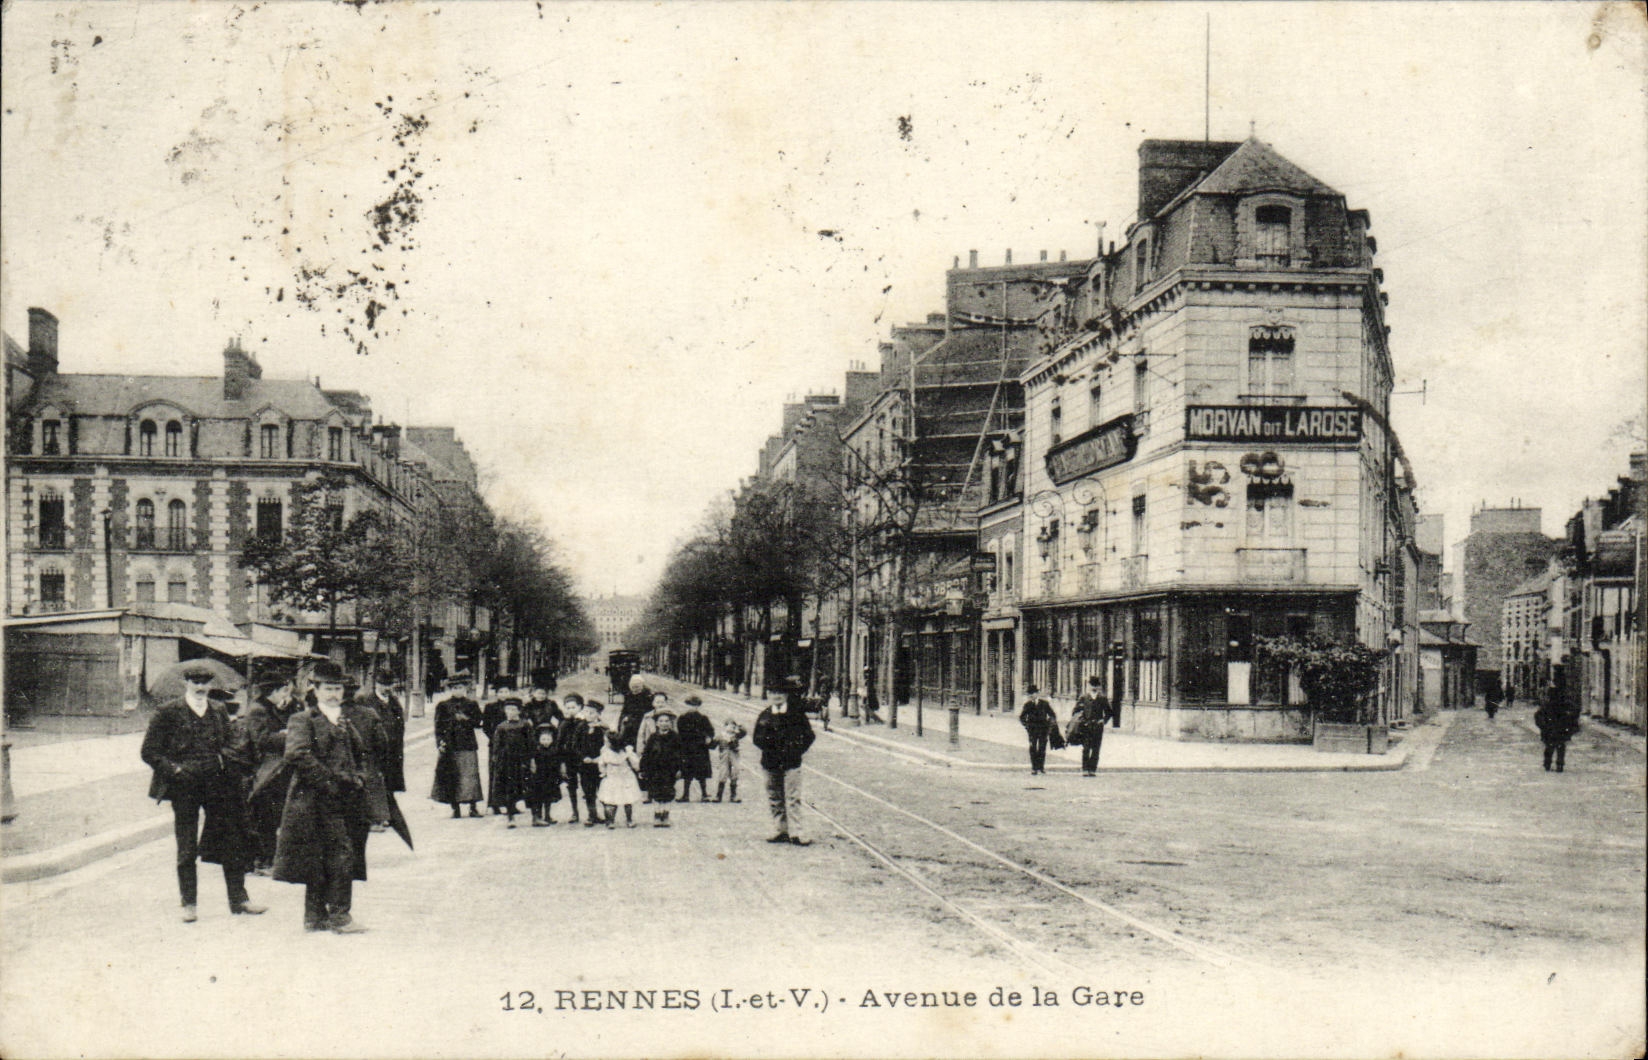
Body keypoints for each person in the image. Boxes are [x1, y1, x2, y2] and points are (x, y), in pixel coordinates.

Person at [141, 661, 264, 922]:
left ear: (211, 685)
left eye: (205, 682)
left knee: (232, 840)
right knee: (186, 845)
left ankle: (239, 899)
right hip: (184, 785)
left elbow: (232, 742)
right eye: (195, 682)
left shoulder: (218, 710)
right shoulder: (168, 712)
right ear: (186, 683)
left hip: (217, 785)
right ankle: (189, 903)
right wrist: (175, 771)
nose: (200, 687)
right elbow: (149, 752)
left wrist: (222, 760)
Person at [268, 662, 374, 934]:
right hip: (314, 799)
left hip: (343, 799)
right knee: (334, 855)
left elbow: (361, 752)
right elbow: (297, 754)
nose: (333, 694)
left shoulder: (344, 718)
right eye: (328, 688)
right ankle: (339, 916)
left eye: (337, 688)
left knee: (333, 854)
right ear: (315, 689)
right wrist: (330, 782)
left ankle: (315, 917)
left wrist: (360, 777)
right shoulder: (303, 719)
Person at [241, 674, 298, 876]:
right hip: (261, 771)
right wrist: (286, 736)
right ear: (272, 692)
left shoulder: (268, 708)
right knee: (264, 816)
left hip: (272, 769)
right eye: (282, 691)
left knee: (270, 815)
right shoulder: (258, 710)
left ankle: (265, 859)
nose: (285, 695)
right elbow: (261, 740)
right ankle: (262, 861)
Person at [752, 677, 816, 845]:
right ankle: (779, 829)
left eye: (780, 693)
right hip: (770, 763)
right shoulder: (764, 715)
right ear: (768, 695)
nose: (776, 696)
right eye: (773, 693)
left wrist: (796, 750)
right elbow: (756, 738)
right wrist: (769, 748)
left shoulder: (796, 715)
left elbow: (809, 736)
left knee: (793, 797)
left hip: (791, 762)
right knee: (774, 796)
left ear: (786, 695)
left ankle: (797, 832)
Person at [431, 674, 484, 818]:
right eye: (455, 688)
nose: (458, 690)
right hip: (451, 745)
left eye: (460, 687)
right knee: (452, 776)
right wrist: (440, 742)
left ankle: (473, 807)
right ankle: (456, 808)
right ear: (450, 689)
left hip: (467, 745)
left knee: (470, 776)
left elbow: (479, 722)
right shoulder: (443, 706)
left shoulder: (472, 704)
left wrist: (467, 719)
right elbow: (438, 726)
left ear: (465, 688)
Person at [341, 685, 393, 832]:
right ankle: (377, 820)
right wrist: (380, 758)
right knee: (372, 784)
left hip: (344, 759)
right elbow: (382, 740)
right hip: (368, 757)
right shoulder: (369, 713)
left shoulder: (335, 714)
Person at [488, 699, 535, 826]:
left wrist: (531, 759)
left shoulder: (525, 725)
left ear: (519, 711)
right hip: (507, 762)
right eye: (508, 709)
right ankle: (510, 818)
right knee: (509, 788)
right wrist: (497, 760)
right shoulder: (501, 726)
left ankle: (536, 817)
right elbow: (496, 746)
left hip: (522, 760)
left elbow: (531, 743)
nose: (511, 712)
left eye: (514, 709)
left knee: (529, 788)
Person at [638, 709, 682, 827]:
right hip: (655, 770)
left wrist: (680, 769)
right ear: (657, 723)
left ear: (670, 723)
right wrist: (642, 769)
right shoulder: (653, 737)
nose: (664, 723)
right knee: (656, 792)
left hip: (669, 770)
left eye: (667, 721)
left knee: (668, 793)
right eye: (661, 721)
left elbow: (680, 754)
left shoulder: (675, 737)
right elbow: (646, 753)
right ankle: (657, 815)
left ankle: (666, 815)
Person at [593, 729, 642, 829]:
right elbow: (601, 764)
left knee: (628, 799)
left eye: (607, 741)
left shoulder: (626, 751)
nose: (605, 743)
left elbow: (634, 762)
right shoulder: (605, 752)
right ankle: (610, 821)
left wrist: (637, 768)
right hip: (612, 778)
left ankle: (629, 819)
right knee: (611, 800)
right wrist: (604, 772)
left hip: (625, 778)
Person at [1068, 675, 1114, 777]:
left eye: (1096, 685)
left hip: (1097, 727)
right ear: (1088, 686)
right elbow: (1075, 711)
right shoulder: (1083, 698)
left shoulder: (1102, 698)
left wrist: (1103, 720)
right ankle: (1085, 769)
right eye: (1092, 685)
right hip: (1086, 726)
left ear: (1099, 687)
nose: (1094, 687)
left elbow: (1109, 712)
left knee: (1096, 748)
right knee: (1086, 748)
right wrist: (1082, 720)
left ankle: (1092, 769)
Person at [572, 702, 609, 827]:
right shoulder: (580, 727)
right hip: (585, 765)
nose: (588, 715)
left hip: (600, 764)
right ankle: (592, 815)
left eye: (592, 712)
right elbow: (575, 745)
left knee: (603, 789)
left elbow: (609, 745)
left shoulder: (603, 728)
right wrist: (583, 757)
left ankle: (609, 815)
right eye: (586, 712)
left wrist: (601, 757)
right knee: (589, 791)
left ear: (598, 714)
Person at [674, 695, 715, 802]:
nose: (692, 708)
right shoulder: (682, 718)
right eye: (690, 705)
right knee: (687, 773)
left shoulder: (703, 718)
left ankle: (704, 794)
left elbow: (710, 731)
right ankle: (685, 795)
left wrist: (709, 737)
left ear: (698, 706)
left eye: (695, 705)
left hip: (700, 749)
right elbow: (680, 733)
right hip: (687, 749)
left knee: (702, 774)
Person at [526, 713, 563, 826]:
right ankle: (537, 817)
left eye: (548, 739)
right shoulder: (536, 750)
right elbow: (531, 762)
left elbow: (558, 762)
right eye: (543, 739)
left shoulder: (554, 750)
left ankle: (547, 815)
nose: (546, 741)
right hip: (538, 778)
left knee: (548, 797)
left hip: (550, 778)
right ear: (539, 739)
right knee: (537, 797)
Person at [1533, 682, 1578, 773]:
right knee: (1560, 747)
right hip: (1560, 730)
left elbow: (1538, 716)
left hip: (1549, 730)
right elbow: (1574, 713)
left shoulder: (1547, 705)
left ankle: (1548, 763)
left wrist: (1543, 726)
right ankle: (1559, 764)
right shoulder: (1564, 705)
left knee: (1549, 747)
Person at [1019, 685, 1059, 775]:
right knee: (1033, 747)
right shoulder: (1028, 705)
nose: (1031, 696)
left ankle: (1041, 767)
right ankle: (1034, 768)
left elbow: (1052, 714)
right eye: (1030, 694)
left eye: (1033, 694)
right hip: (1032, 730)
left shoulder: (1044, 703)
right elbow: (1022, 717)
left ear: (1037, 694)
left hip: (1043, 729)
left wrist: (1049, 724)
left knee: (1042, 747)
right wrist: (1027, 726)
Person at [711, 715, 746, 803]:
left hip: (734, 756)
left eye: (733, 726)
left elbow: (744, 732)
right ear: (725, 726)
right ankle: (719, 796)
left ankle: (733, 796)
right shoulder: (720, 736)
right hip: (724, 756)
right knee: (723, 773)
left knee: (734, 773)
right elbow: (712, 745)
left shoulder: (736, 735)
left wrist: (739, 727)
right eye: (729, 725)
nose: (731, 727)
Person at [619, 675, 653, 749]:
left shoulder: (647, 697)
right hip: (629, 725)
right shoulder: (628, 696)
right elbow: (624, 711)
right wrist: (623, 719)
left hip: (642, 722)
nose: (635, 689)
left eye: (637, 687)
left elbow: (648, 711)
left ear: (642, 686)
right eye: (633, 687)